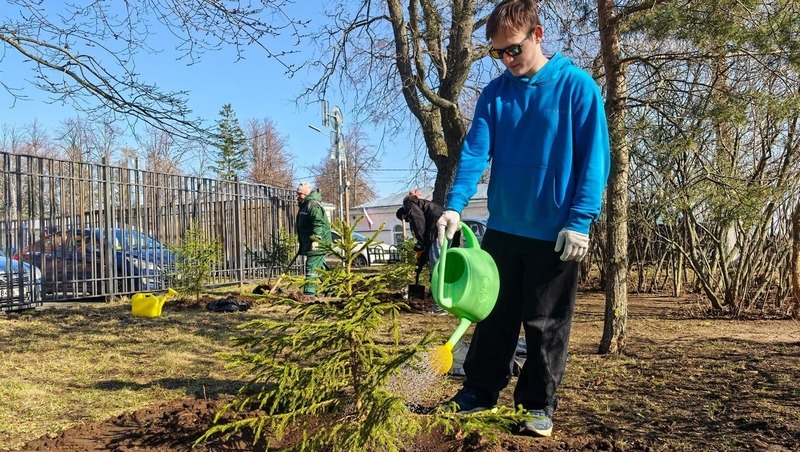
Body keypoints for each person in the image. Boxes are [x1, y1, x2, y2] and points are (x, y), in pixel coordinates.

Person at [436, 0, 611, 438]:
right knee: (492, 317)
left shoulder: (577, 87)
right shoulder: (496, 94)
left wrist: (581, 220)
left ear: (538, 34)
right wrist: (454, 205)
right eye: (498, 53)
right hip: (503, 229)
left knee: (545, 325)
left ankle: (536, 406)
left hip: (556, 234)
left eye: (513, 49)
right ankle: (478, 392)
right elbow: (475, 152)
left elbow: (594, 160)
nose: (507, 60)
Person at [395, 190, 460, 314]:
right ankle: (449, 300)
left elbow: (418, 221)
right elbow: (426, 241)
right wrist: (420, 262)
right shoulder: (427, 206)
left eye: (406, 219)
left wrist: (420, 242)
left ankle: (440, 306)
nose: (408, 221)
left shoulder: (410, 204)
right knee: (445, 266)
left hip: (438, 232)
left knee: (437, 268)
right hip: (449, 229)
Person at [295, 182, 332, 296]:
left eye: (300, 193)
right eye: (297, 193)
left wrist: (316, 240)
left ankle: (309, 292)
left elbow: (319, 223)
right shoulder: (305, 205)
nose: (297, 196)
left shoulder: (313, 205)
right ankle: (332, 288)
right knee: (319, 266)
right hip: (310, 241)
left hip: (319, 241)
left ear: (306, 194)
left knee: (311, 264)